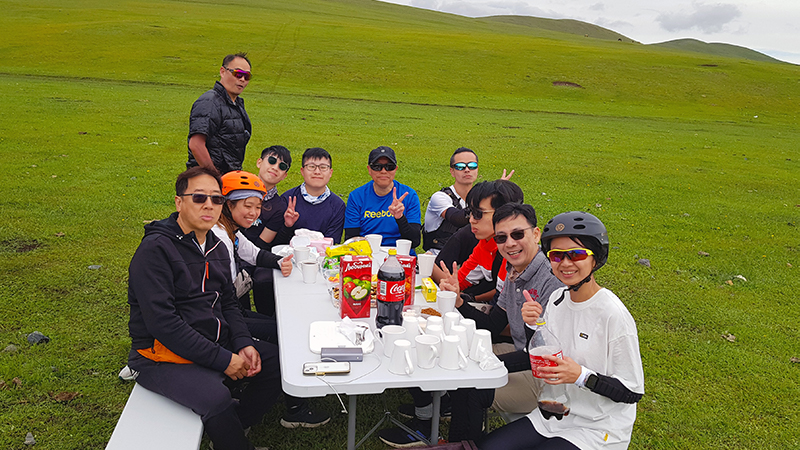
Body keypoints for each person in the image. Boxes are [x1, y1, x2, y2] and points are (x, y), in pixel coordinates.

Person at [126, 166, 280, 450]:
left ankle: (236, 422)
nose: (209, 205)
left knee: (276, 362)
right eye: (199, 198)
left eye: (216, 199)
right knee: (216, 398)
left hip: (211, 340)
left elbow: (229, 304)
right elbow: (165, 325)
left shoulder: (216, 246)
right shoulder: (155, 251)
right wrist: (224, 360)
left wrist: (243, 343)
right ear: (179, 202)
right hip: (160, 356)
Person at [478, 211, 645, 450]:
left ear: (595, 258)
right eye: (556, 256)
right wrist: (531, 325)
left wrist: (581, 375)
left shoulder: (611, 313)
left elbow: (632, 392)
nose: (565, 264)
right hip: (551, 415)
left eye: (576, 254)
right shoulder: (557, 298)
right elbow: (538, 350)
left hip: (597, 428)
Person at [212, 170, 331, 429]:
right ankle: (243, 421)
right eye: (247, 206)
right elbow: (225, 300)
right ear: (226, 204)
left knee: (282, 330)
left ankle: (288, 402)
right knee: (285, 342)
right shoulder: (218, 237)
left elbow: (254, 254)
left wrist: (280, 262)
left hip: (226, 311)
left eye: (257, 207)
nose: (254, 213)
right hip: (219, 318)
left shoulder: (228, 229)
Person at [438, 203, 564, 443]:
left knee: (474, 386)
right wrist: (458, 302)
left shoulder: (551, 280)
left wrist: (489, 364)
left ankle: (467, 444)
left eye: (518, 234)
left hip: (548, 378)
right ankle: (457, 442)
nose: (510, 243)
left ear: (536, 234)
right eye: (501, 238)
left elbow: (542, 354)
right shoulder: (513, 269)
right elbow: (493, 325)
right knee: (462, 357)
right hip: (522, 355)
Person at [423, 147, 515, 254]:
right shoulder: (440, 198)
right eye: (460, 166)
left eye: (472, 166)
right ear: (452, 171)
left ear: (477, 169)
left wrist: (497, 196)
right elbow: (458, 218)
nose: (467, 170)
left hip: (472, 258)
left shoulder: (480, 198)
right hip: (438, 257)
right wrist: (491, 196)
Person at [241, 145, 292, 316]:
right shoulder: (237, 189)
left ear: (284, 176)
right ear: (259, 162)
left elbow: (262, 243)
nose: (275, 167)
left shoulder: (278, 207)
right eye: (271, 161)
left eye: (282, 166)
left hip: (250, 254)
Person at [187, 53, 253, 174]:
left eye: (247, 76)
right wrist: (215, 178)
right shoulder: (209, 102)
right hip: (205, 180)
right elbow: (196, 144)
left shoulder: (236, 104)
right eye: (237, 74)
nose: (242, 79)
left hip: (229, 177)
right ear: (222, 71)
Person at [344, 146, 421, 250]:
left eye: (389, 167)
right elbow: (351, 239)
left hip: (399, 254)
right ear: (369, 170)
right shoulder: (356, 196)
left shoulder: (409, 195)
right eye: (377, 167)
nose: (383, 171)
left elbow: (414, 242)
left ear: (395, 169)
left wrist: (400, 218)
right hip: (367, 253)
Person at [280, 147, 346, 244]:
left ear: (330, 172)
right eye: (311, 167)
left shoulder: (337, 205)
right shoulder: (288, 199)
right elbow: (277, 243)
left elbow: (332, 243)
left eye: (323, 167)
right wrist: (287, 226)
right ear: (302, 171)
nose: (317, 172)